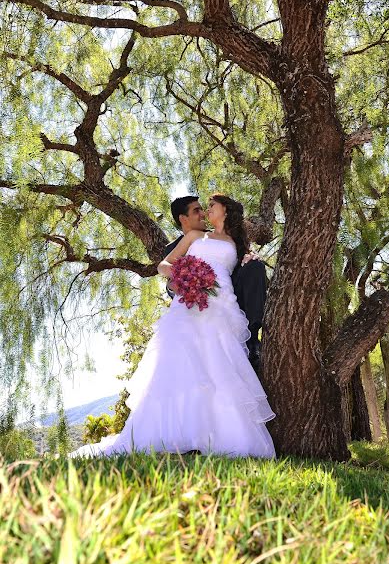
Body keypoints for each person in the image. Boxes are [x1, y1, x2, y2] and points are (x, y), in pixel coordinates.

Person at [70, 194, 275, 459]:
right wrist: (185, 277)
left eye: (211, 206)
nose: (206, 211)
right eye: (202, 208)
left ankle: (222, 435)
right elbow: (164, 266)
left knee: (218, 363)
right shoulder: (193, 238)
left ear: (225, 212)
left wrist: (250, 258)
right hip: (189, 301)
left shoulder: (236, 243)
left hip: (222, 303)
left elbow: (244, 265)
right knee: (180, 362)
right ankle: (175, 433)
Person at [165, 196, 268, 373]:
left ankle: (251, 340)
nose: (203, 213)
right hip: (196, 296)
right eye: (197, 211)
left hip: (229, 292)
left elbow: (239, 262)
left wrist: (250, 258)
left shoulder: (231, 239)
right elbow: (170, 276)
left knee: (256, 267)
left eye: (206, 208)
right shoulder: (180, 244)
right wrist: (189, 282)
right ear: (183, 218)